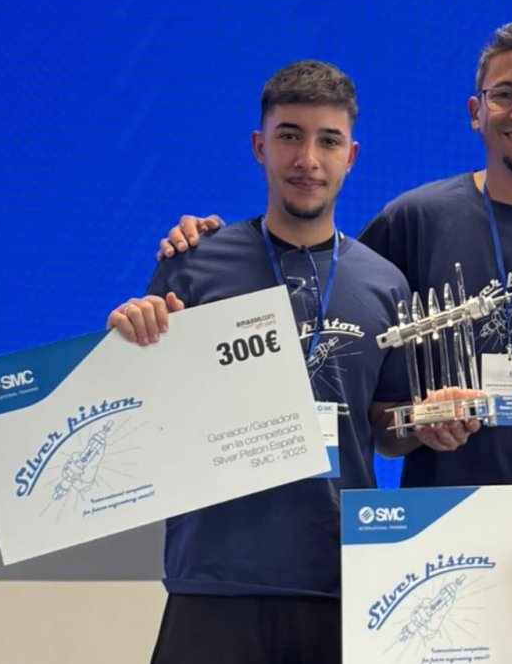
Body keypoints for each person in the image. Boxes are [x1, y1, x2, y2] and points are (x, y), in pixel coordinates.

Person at [158, 22, 512, 527]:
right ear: (476, 112)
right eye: (504, 94)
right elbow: (321, 284)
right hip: (437, 518)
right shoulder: (413, 221)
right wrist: (209, 245)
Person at [107, 60, 440, 664]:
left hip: (340, 579)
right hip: (214, 579)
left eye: (327, 140)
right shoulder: (193, 262)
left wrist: (423, 423)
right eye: (289, 136)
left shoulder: (386, 285)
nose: (307, 158)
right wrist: (129, 341)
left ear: (351, 155)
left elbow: (385, 432)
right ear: (260, 146)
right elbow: (146, 417)